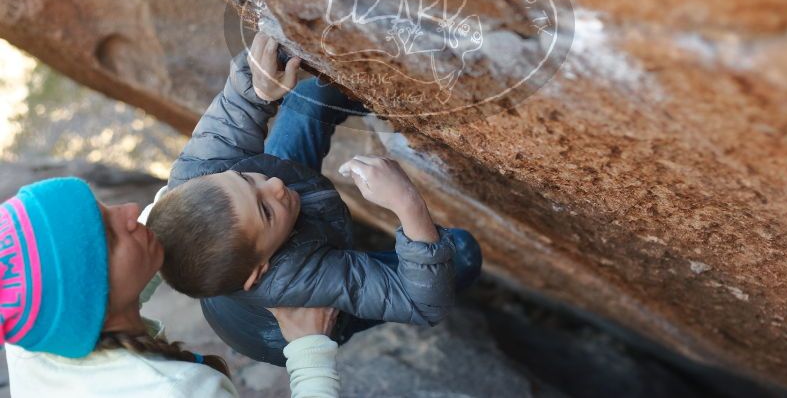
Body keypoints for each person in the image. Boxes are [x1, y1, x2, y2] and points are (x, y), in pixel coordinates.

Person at [147, 32, 483, 365]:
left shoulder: (197, 178)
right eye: (265, 210)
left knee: (311, 98)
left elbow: (231, 118)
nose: (275, 185)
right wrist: (407, 206)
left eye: (246, 176)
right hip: (277, 333)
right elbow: (422, 304)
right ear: (259, 269)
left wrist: (258, 90)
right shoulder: (300, 280)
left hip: (239, 276)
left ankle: (408, 94)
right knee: (462, 252)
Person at [1, 178, 342, 397]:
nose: (130, 210)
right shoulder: (174, 390)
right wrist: (309, 353)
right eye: (111, 235)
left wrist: (174, 214)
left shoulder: (33, 327)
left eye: (101, 208)